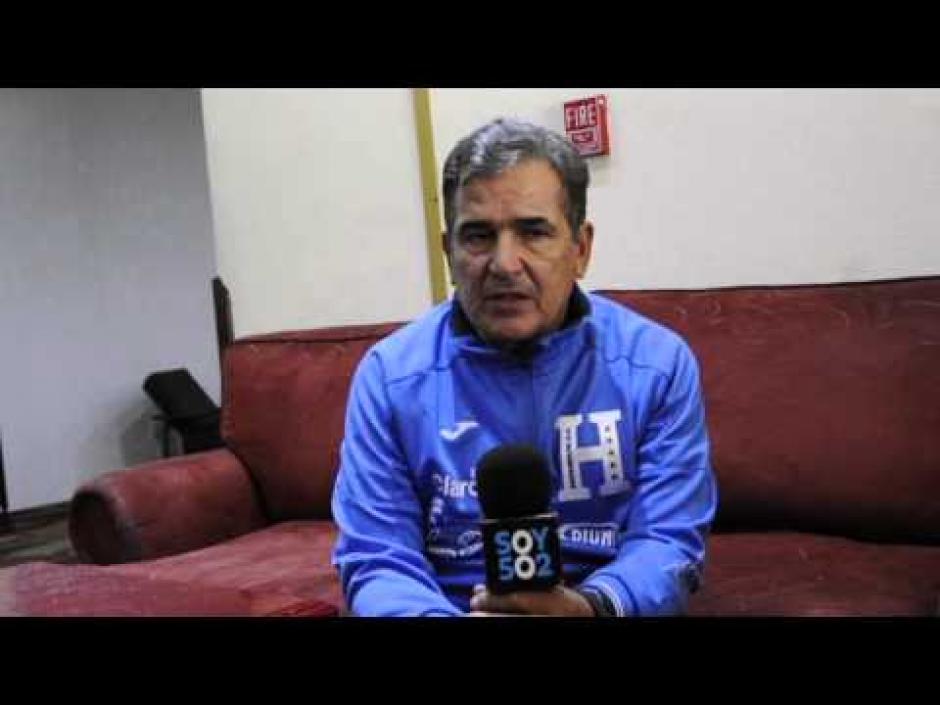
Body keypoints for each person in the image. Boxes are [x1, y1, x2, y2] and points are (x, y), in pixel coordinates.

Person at [331, 117, 717, 617]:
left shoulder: (657, 367)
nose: (504, 264)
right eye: (478, 236)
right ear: (448, 252)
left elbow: (668, 540)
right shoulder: (389, 379)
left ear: (581, 248)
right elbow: (379, 560)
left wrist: (592, 607)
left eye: (533, 232)